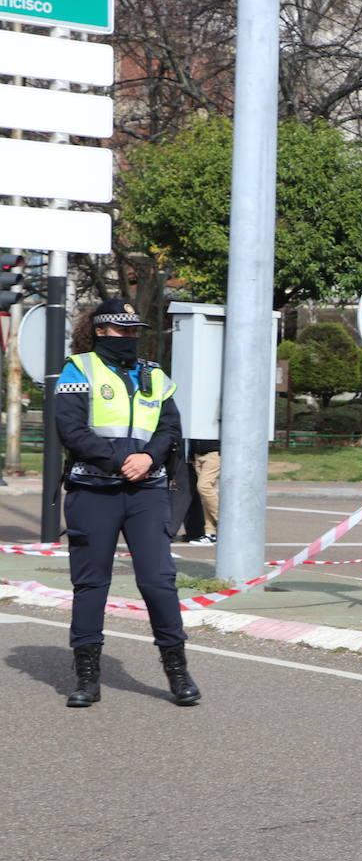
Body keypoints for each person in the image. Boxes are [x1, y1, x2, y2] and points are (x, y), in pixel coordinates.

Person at [56, 298, 202, 708]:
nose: (130, 337)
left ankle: (177, 671)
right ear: (101, 330)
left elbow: (170, 426)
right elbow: (70, 429)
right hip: (93, 492)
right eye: (123, 330)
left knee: (158, 581)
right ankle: (87, 676)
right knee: (91, 584)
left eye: (135, 330)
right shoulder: (79, 369)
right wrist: (121, 461)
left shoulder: (154, 374)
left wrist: (150, 457)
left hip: (147, 492)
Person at [188, 438, 220, 544]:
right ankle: (211, 533)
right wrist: (191, 453)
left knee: (204, 487)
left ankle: (225, 522)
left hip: (214, 452)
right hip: (198, 453)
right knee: (205, 494)